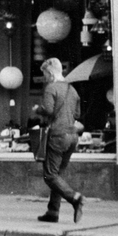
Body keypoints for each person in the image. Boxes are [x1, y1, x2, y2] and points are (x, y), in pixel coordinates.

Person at [32, 57, 86, 224]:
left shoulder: (51, 88)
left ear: (49, 72)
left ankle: (75, 198)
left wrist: (37, 109)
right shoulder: (73, 90)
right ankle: (52, 211)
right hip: (72, 137)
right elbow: (77, 114)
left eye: (45, 75)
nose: (45, 78)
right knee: (58, 175)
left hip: (57, 136)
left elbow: (48, 109)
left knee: (49, 175)